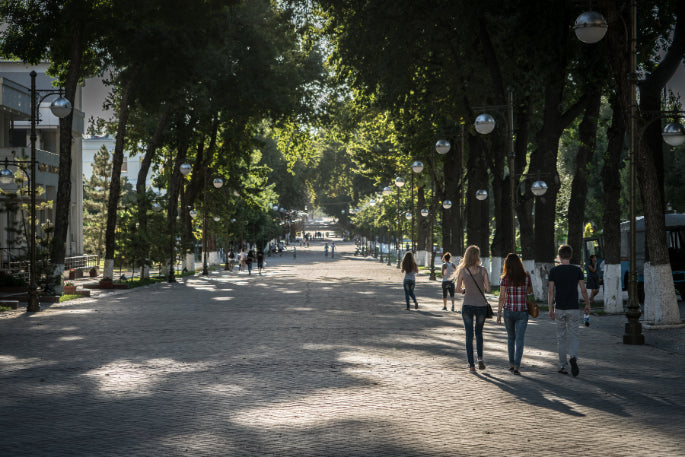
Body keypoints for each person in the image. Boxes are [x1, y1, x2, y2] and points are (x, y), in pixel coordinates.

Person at [548, 244, 591, 377]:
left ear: (559, 256)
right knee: (574, 336)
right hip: (573, 308)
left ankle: (563, 366)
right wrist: (588, 303)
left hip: (560, 308)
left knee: (561, 338)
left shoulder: (554, 271)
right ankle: (573, 356)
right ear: (571, 256)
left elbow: (551, 291)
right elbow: (583, 290)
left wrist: (550, 308)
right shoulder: (577, 270)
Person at [454, 245, 491, 372]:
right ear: (477, 256)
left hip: (467, 306)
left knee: (469, 336)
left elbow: (457, 290)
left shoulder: (463, 271)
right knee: (479, 333)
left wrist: (466, 290)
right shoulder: (483, 270)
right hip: (481, 306)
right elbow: (488, 289)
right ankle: (480, 358)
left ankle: (471, 365)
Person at [497, 253, 533, 375]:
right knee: (520, 339)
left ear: (507, 265)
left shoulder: (505, 278)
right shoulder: (526, 277)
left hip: (508, 311)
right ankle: (517, 366)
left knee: (511, 338)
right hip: (522, 312)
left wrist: (498, 314)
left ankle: (511, 364)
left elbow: (502, 297)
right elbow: (529, 292)